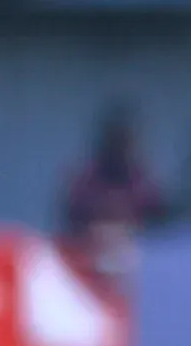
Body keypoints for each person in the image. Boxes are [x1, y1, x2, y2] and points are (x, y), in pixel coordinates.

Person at [61, 105, 168, 299]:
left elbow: (159, 226)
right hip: (92, 270)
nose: (119, 146)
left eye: (124, 140)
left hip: (136, 271)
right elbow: (71, 224)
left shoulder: (142, 181)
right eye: (114, 139)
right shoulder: (85, 181)